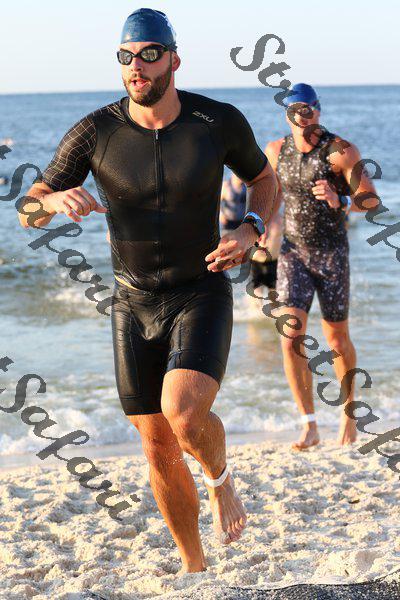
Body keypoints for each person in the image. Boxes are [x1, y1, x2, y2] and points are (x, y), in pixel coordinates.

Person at [17, 9, 277, 573]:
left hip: (200, 288)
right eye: (126, 56)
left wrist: (250, 228)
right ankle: (193, 565)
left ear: (174, 60)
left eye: (149, 54)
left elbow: (264, 178)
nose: (137, 66)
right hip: (132, 302)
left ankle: (221, 479)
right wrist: (52, 201)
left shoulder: (216, 121)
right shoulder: (95, 131)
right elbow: (27, 209)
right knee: (157, 446)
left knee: (183, 413)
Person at [265, 83, 379, 450]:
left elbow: (370, 199)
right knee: (290, 337)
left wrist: (340, 199)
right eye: (295, 111)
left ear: (318, 110)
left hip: (331, 255)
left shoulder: (340, 151)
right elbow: (271, 194)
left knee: (336, 339)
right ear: (287, 114)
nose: (302, 117)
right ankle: (309, 425)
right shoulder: (276, 150)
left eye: (308, 110)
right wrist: (259, 230)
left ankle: (349, 413)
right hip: (292, 253)